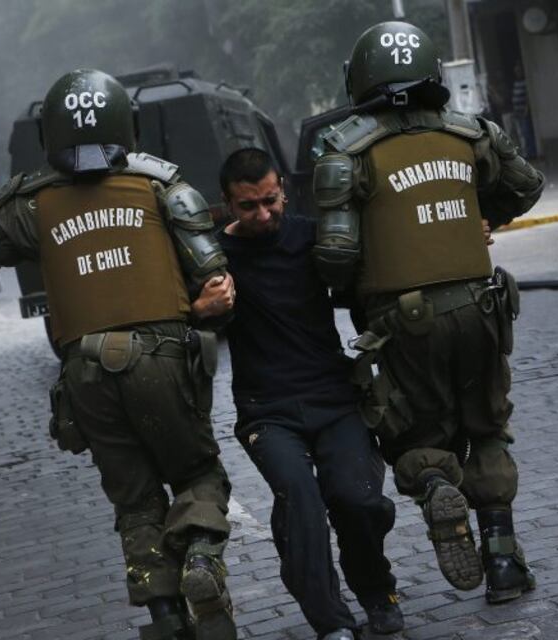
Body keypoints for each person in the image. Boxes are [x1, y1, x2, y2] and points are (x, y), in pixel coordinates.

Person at [0, 69, 239, 640]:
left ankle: (165, 615)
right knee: (197, 473)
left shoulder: (27, 205)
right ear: (127, 122)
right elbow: (214, 278)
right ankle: (199, 557)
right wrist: (213, 293)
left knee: (134, 501)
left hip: (86, 372)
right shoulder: (161, 185)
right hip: (164, 359)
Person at [311, 21, 545, 605]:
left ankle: (438, 483)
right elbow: (525, 186)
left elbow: (335, 257)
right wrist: (476, 214)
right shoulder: (471, 134)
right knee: (487, 429)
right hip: (481, 305)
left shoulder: (345, 149)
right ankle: (503, 562)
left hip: (402, 321)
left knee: (416, 430)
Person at [195, 148, 401, 640]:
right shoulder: (214, 261)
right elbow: (165, 307)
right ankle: (332, 622)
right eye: (249, 206)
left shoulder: (314, 237)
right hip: (267, 412)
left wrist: (469, 235)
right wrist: (200, 307)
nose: (263, 215)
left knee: (358, 500)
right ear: (227, 204)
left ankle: (376, 590)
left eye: (270, 201)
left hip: (334, 397)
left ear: (283, 190)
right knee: (302, 501)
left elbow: (383, 265)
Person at [510, 63, 537, 159]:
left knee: (527, 133)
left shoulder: (525, 82)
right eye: (516, 71)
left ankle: (532, 153)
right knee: (522, 134)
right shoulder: (516, 83)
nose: (517, 73)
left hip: (524, 112)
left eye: (519, 71)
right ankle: (527, 152)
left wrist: (526, 109)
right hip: (518, 112)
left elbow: (528, 97)